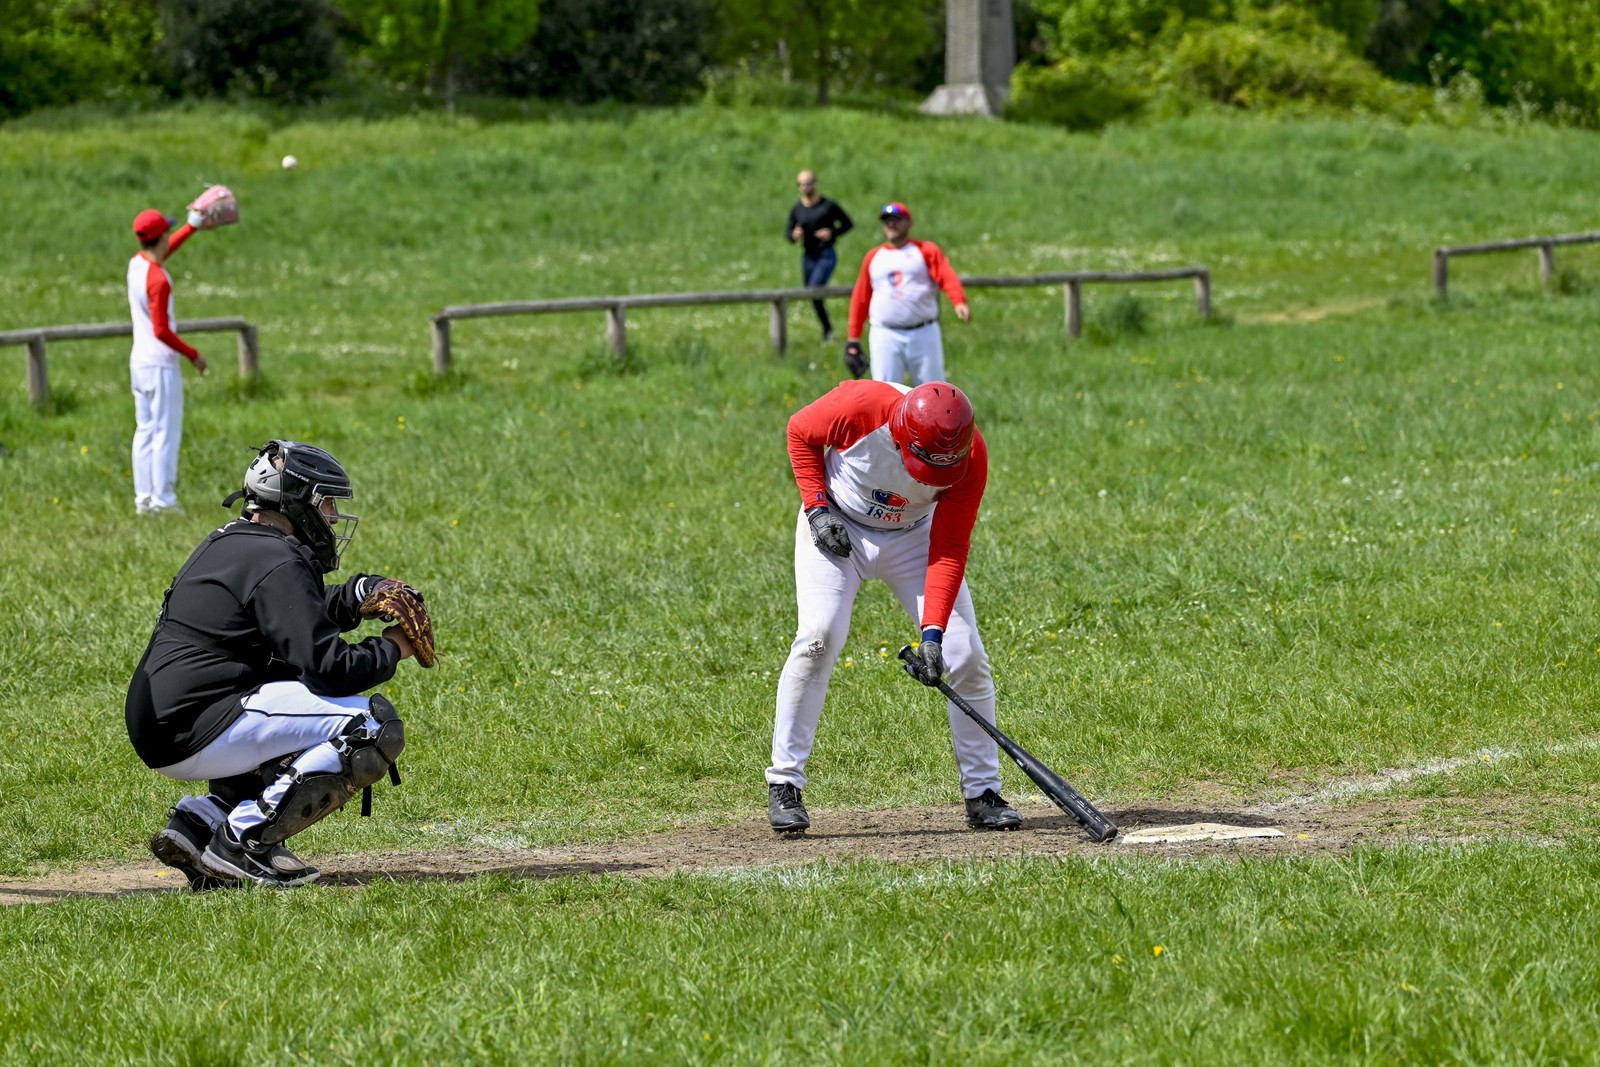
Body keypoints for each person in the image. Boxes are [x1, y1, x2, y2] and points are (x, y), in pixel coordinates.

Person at [126, 440, 420, 888]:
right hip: (199, 721)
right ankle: (242, 841)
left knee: (288, 698)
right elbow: (328, 668)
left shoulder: (234, 542)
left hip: (169, 720)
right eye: (326, 502)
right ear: (296, 503)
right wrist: (394, 647)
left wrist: (355, 596)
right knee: (369, 727)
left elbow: (289, 612)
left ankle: (202, 821)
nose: (334, 516)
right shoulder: (277, 559)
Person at [766, 379, 1020, 834]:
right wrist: (817, 508)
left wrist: (933, 634)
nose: (930, 476)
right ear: (903, 437)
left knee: (966, 656)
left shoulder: (970, 456)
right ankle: (785, 784)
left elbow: (950, 547)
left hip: (915, 539)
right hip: (839, 525)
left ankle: (982, 793)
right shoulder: (861, 406)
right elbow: (800, 431)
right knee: (818, 637)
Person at [128, 208, 211, 515]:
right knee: (166, 432)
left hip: (139, 362)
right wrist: (194, 355)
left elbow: (162, 253)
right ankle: (164, 499)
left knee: (145, 430)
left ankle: (145, 499)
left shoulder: (137, 265)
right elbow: (161, 329)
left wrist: (191, 228)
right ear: (161, 236)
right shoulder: (159, 280)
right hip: (161, 364)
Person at [843, 202, 970, 386]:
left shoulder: (925, 250)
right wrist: (853, 336)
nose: (891, 224)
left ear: (909, 222)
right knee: (886, 392)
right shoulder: (874, 257)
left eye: (896, 219)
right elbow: (861, 296)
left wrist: (959, 301)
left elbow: (946, 275)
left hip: (923, 332)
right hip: (885, 334)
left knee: (933, 391)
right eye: (886, 221)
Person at [785, 170, 854, 341]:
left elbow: (848, 224)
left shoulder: (828, 206)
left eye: (808, 183)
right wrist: (794, 235)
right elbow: (788, 233)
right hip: (808, 255)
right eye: (802, 184)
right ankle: (828, 331)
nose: (805, 187)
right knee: (811, 295)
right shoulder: (797, 209)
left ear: (815, 184)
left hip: (825, 254)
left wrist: (832, 232)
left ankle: (830, 332)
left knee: (814, 289)